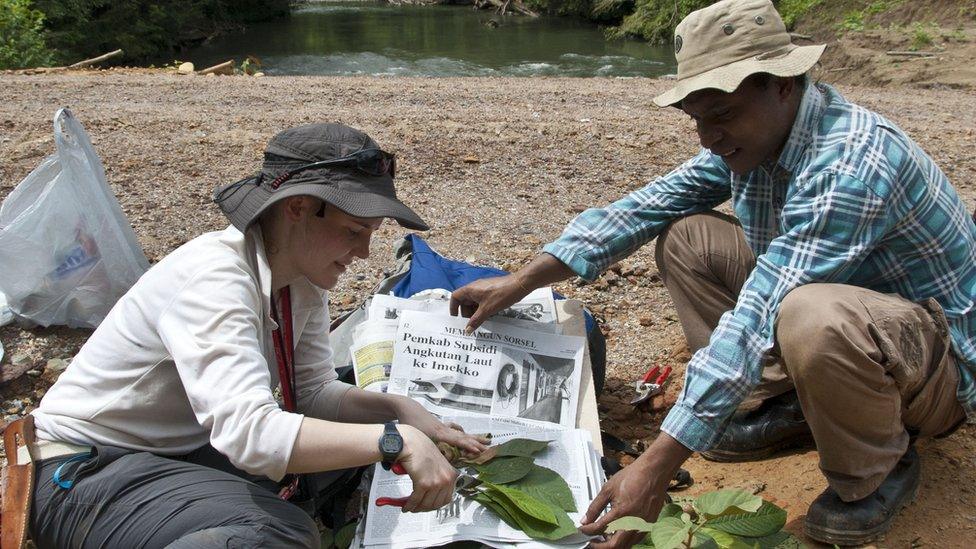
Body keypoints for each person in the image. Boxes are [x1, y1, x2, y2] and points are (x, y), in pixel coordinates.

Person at [450, 0, 975, 546]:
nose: (707, 136)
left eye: (721, 115)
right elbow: (648, 205)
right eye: (697, 119)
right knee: (686, 237)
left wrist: (654, 469)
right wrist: (524, 279)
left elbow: (761, 311)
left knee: (810, 314)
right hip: (852, 317)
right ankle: (787, 404)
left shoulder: (850, 164)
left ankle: (880, 467)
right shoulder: (760, 137)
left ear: (783, 86)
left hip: (937, 368)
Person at [24, 123, 488, 548]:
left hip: (177, 453)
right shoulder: (214, 278)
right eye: (353, 231)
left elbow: (310, 394)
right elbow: (249, 434)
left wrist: (398, 410)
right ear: (298, 208)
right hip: (84, 471)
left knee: (351, 451)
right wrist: (395, 439)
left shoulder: (300, 277)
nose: (364, 253)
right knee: (272, 534)